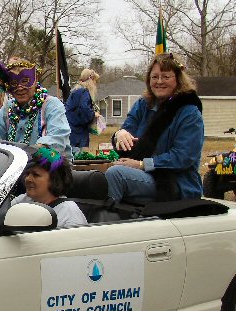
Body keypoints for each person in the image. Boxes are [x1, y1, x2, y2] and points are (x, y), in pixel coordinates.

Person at [105, 52, 204, 204]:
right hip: (140, 174)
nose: (159, 81)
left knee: (116, 174)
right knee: (94, 179)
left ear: (177, 79)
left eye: (165, 76)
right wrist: (119, 135)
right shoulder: (143, 105)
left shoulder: (189, 113)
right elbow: (127, 133)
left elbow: (184, 157)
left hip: (175, 183)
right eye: (155, 77)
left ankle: (109, 222)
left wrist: (142, 164)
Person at [0, 55, 73, 160]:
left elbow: (57, 139)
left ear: (35, 80)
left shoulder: (52, 105)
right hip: (15, 168)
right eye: (13, 83)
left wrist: (28, 154)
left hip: (51, 169)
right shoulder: (7, 109)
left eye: (25, 81)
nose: (20, 88)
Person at [11, 147, 87, 228]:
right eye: (27, 174)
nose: (28, 179)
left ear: (54, 180)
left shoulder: (69, 214)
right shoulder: (23, 200)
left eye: (35, 175)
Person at [65, 68, 101, 154]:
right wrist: (93, 114)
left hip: (71, 128)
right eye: (94, 81)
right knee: (75, 155)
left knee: (70, 153)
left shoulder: (77, 91)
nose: (95, 84)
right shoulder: (83, 92)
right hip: (76, 131)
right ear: (90, 80)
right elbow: (84, 109)